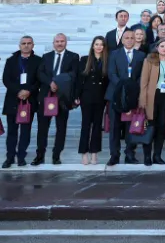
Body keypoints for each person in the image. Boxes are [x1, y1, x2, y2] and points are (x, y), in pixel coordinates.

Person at [33, 33, 79, 166]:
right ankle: (39, 156)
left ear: (66, 43)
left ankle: (56, 155)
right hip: (46, 96)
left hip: (63, 97)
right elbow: (40, 73)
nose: (59, 43)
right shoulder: (46, 56)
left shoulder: (73, 57)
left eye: (62, 41)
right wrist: (51, 82)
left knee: (61, 128)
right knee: (42, 128)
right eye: (57, 41)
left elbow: (74, 75)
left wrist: (59, 83)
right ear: (53, 43)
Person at [105, 29, 146, 166]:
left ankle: (130, 154)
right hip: (115, 95)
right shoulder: (114, 54)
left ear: (135, 40)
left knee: (130, 127)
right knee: (115, 127)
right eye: (126, 37)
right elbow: (111, 73)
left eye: (131, 37)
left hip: (132, 96)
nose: (129, 40)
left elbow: (142, 75)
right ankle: (114, 155)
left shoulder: (141, 55)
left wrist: (132, 88)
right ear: (122, 40)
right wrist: (122, 86)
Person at [2, 35, 41, 168]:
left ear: (33, 45)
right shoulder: (11, 60)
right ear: (19, 46)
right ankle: (10, 157)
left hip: (29, 100)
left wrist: (28, 91)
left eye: (29, 43)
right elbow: (6, 79)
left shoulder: (38, 61)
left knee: (25, 131)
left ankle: (21, 157)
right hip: (13, 99)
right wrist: (19, 91)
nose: (26, 45)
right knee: (12, 131)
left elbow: (39, 80)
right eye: (23, 43)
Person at [139, 38, 165, 166]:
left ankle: (157, 156)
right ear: (157, 47)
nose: (164, 49)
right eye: (162, 46)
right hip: (151, 97)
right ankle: (147, 156)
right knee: (150, 127)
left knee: (161, 128)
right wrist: (142, 100)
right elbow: (144, 82)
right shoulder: (149, 61)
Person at [76, 37, 107, 165]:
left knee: (97, 126)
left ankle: (94, 153)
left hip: (100, 97)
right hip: (87, 97)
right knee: (86, 125)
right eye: (97, 44)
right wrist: (77, 96)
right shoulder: (85, 60)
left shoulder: (106, 61)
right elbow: (79, 79)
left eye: (101, 45)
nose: (99, 47)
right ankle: (84, 153)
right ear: (93, 46)